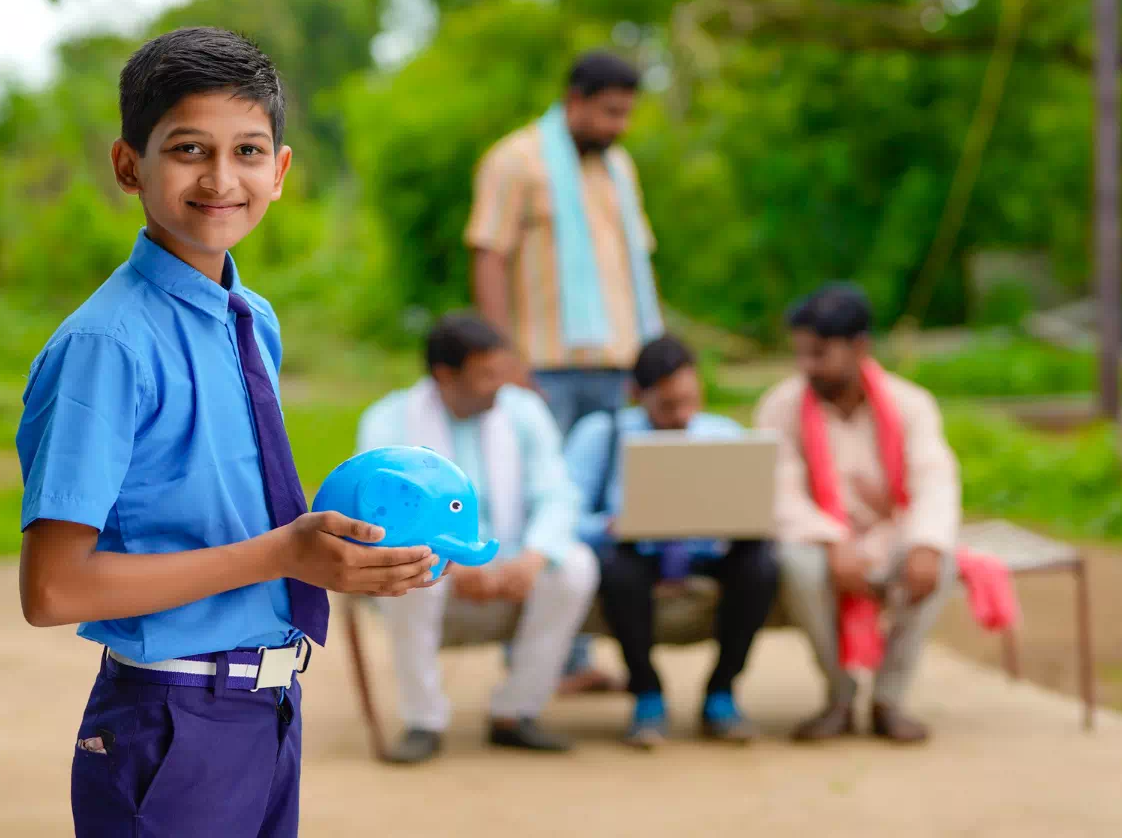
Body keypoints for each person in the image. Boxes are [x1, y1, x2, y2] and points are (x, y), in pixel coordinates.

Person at [15, 27, 441, 837]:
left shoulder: (252, 319)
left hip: (268, 707)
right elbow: (53, 589)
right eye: (187, 149)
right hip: (171, 722)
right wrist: (284, 553)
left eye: (247, 150)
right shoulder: (107, 346)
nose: (220, 178)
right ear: (128, 165)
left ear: (279, 172)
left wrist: (345, 551)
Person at [466, 49, 662, 692]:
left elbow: (635, 264)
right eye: (609, 112)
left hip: (618, 366)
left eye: (626, 114)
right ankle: (545, 659)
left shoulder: (619, 167)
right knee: (543, 504)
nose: (618, 126)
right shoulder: (515, 159)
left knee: (615, 509)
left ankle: (605, 647)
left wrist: (649, 358)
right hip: (542, 371)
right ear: (575, 100)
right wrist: (503, 355)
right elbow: (488, 253)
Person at [356, 313, 600, 764]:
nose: (498, 385)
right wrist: (456, 559)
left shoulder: (522, 411)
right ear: (444, 374)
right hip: (432, 558)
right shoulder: (390, 420)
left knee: (576, 566)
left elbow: (557, 492)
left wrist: (534, 556)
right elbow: (381, 506)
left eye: (502, 372)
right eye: (486, 375)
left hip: (514, 559)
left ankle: (516, 711)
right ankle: (423, 719)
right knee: (406, 573)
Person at [755, 283, 964, 744]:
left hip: (890, 536)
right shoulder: (780, 406)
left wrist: (926, 544)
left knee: (938, 564)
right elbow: (779, 495)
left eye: (819, 354)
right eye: (801, 354)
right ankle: (839, 696)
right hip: (817, 539)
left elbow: (935, 482)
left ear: (860, 347)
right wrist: (833, 540)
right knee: (798, 565)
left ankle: (889, 699)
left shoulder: (911, 404)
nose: (806, 366)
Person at [565, 335, 780, 748]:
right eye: (667, 405)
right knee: (617, 568)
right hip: (636, 555)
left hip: (709, 551)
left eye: (690, 401)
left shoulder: (724, 434)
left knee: (761, 563)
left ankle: (722, 692)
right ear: (636, 394)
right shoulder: (602, 433)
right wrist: (610, 525)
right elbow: (567, 511)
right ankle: (646, 692)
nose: (682, 415)